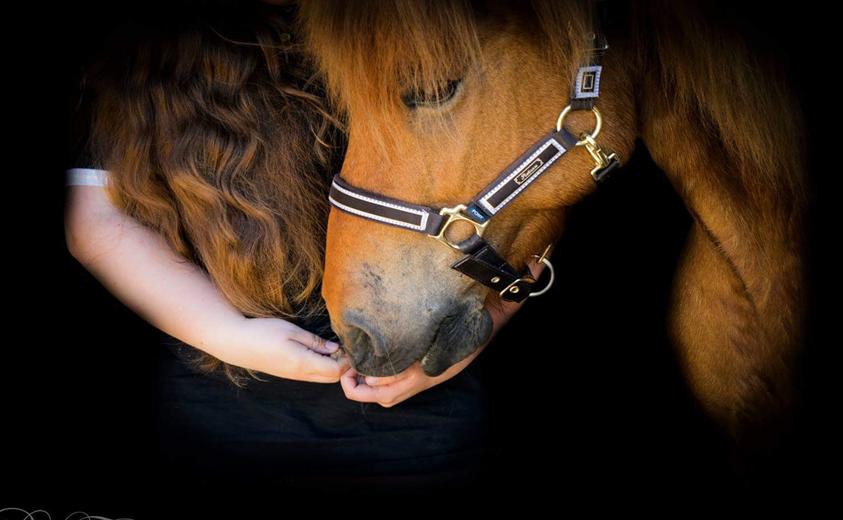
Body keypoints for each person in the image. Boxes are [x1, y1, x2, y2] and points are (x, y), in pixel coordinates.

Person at [63, 6, 529, 489]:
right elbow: (94, 217)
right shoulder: (142, 44)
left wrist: (466, 341)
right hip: (224, 417)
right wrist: (230, 336)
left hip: (427, 421)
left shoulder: (418, 25)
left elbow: (534, 191)